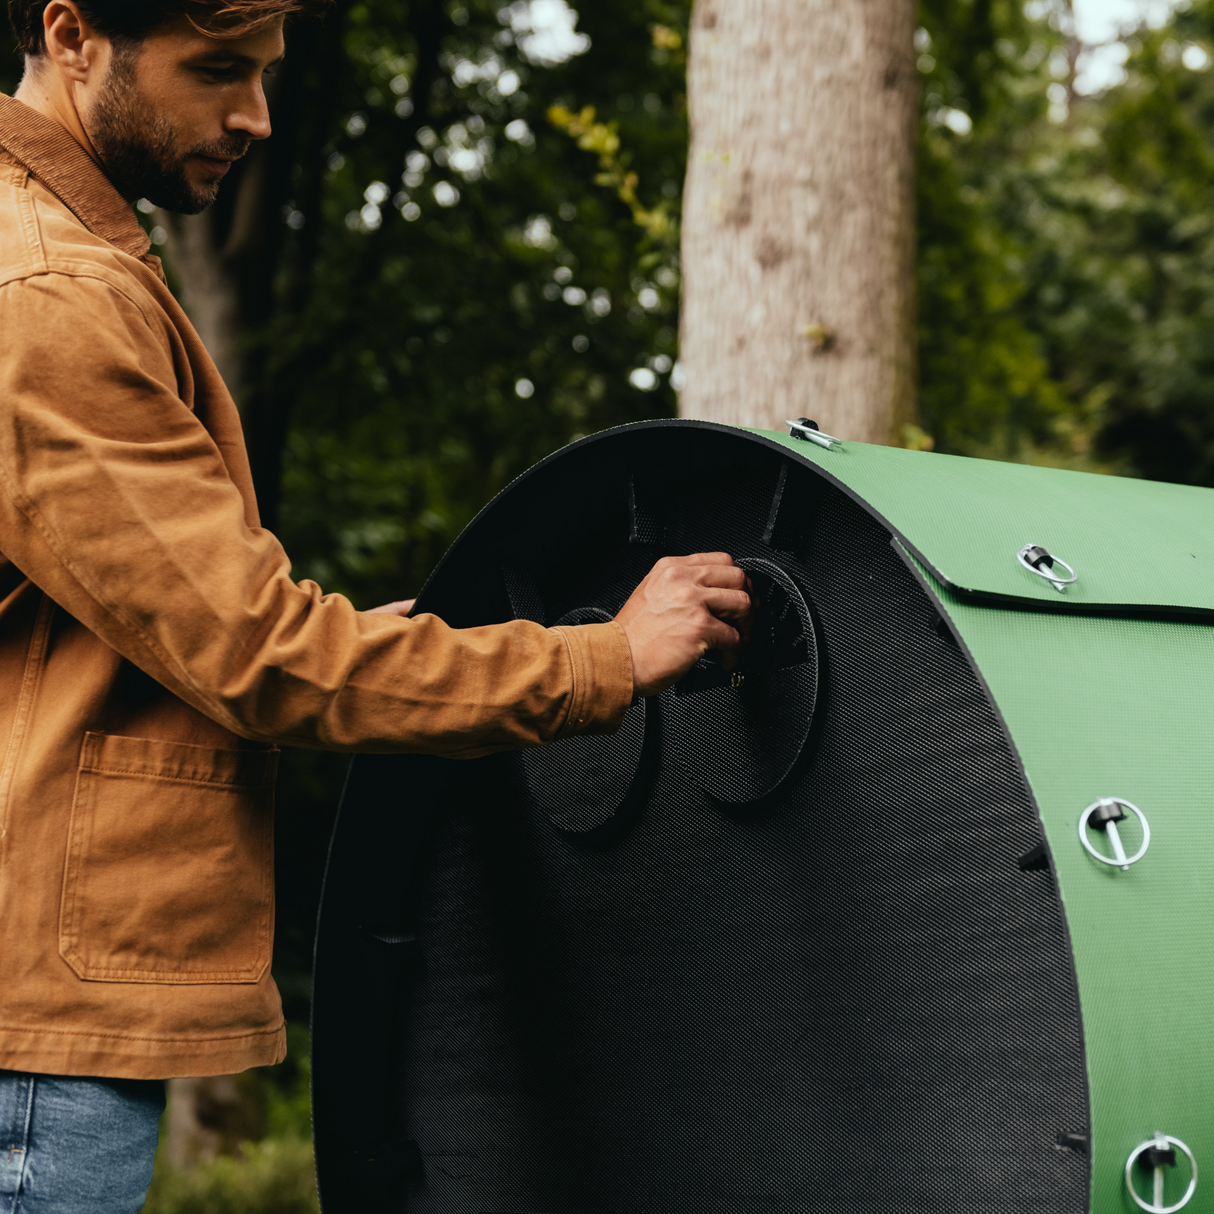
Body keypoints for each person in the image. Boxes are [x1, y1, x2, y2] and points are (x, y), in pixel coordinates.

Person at [0, 0, 754, 1209]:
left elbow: (160, 633)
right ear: (73, 35)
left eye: (263, 73)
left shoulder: (64, 262)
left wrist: (462, 634)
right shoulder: (48, 294)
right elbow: (256, 652)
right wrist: (596, 661)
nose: (253, 114)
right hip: (34, 1031)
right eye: (216, 72)